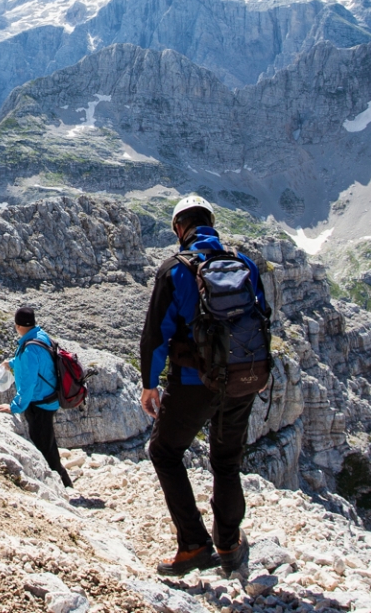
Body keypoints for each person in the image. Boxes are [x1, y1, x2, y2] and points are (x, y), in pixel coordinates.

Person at [139, 195, 266, 575]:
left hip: (194, 383)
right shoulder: (244, 264)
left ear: (180, 228)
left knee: (164, 452)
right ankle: (228, 545)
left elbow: (154, 337)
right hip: (242, 378)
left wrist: (150, 385)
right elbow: (263, 316)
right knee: (226, 462)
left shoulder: (174, 269)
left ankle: (193, 544)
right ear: (210, 222)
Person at [9, 305, 73, 488]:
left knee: (44, 447)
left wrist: (14, 407)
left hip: (39, 405)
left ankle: (64, 487)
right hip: (49, 399)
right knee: (48, 443)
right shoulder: (40, 336)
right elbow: (37, 362)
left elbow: (28, 385)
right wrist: (11, 364)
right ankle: (63, 482)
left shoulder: (29, 348)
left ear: (19, 326)